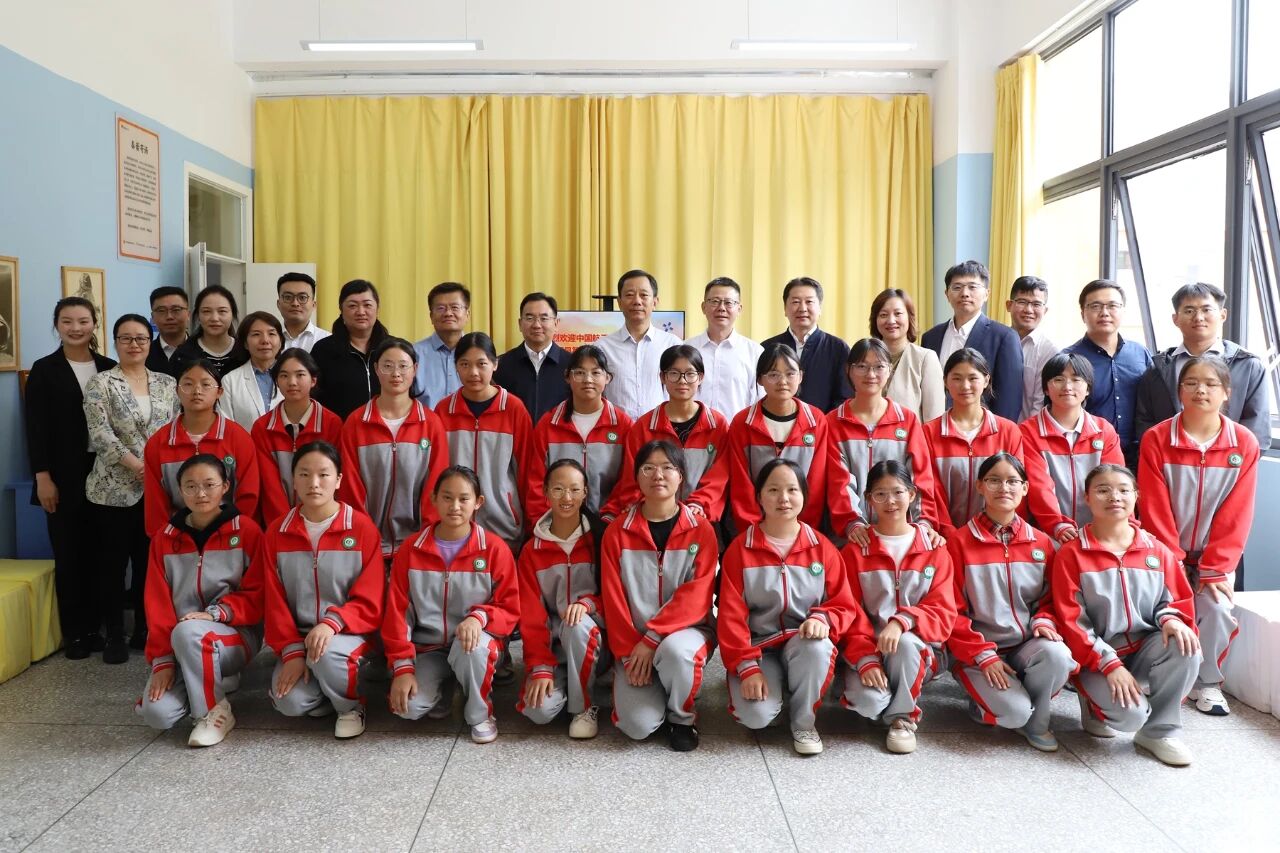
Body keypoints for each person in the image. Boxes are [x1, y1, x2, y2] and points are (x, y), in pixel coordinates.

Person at [1052, 463, 1201, 766]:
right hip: (1096, 659)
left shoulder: (1156, 550)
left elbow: (1177, 601)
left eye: (1123, 490)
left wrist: (1170, 619)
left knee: (1185, 645)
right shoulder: (1071, 554)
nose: (1114, 497)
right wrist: (1108, 664)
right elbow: (1072, 623)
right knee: (1130, 717)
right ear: (1087, 498)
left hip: (1146, 648)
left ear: (1136, 496)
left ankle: (1159, 732)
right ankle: (1093, 703)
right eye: (1103, 490)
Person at [719, 458, 869, 755]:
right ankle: (776, 693)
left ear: (804, 495)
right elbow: (730, 616)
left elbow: (843, 604)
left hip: (803, 643)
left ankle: (804, 722)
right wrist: (747, 667)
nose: (783, 498)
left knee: (817, 647)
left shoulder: (823, 548)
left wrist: (823, 618)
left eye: (792, 489)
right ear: (759, 496)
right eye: (773, 490)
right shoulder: (740, 549)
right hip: (759, 648)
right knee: (756, 717)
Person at [1138, 356, 1259, 718]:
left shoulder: (1243, 443)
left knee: (1217, 609)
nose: (1200, 390)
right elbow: (1154, 505)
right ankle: (1158, 675)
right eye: (1191, 383)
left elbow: (1238, 512)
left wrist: (1215, 567)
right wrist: (1170, 559)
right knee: (1158, 608)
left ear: (1227, 393)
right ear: (1180, 391)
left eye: (1210, 384)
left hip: (1215, 556)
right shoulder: (1157, 438)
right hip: (1164, 552)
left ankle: (1207, 684)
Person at [946, 453, 1076, 752]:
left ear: (1025, 488)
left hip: (1026, 646)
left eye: (1012, 481)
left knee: (1058, 654)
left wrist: (1044, 620)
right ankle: (988, 704)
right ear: (980, 486)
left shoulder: (1042, 543)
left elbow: (1053, 600)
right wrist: (982, 654)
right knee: (1013, 713)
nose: (1004, 488)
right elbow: (950, 609)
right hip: (978, 651)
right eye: (994, 480)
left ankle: (1037, 722)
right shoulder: (959, 542)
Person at [385, 466, 520, 743]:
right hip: (428, 650)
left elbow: (510, 608)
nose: (455, 506)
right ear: (433, 498)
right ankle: (445, 687)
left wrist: (479, 618)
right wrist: (402, 668)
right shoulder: (411, 549)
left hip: (475, 645)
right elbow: (397, 613)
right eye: (447, 497)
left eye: (463, 498)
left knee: (473, 649)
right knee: (407, 708)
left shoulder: (494, 549)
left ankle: (480, 713)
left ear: (478, 502)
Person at [260, 440, 386, 739]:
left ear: (339, 480)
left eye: (323, 475)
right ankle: (328, 690)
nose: (313, 483)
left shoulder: (361, 528)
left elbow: (371, 598)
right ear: (293, 480)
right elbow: (274, 601)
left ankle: (350, 706)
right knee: (289, 702)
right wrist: (292, 652)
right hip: (300, 638)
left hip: (350, 632)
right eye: (304, 474)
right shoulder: (277, 532)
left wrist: (332, 623)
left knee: (327, 655)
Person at [137, 454, 263, 747]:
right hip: (180, 641)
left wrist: (217, 613)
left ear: (225, 487)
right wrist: (163, 661)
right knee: (157, 713)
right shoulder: (164, 539)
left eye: (209, 484)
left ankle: (213, 711)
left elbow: (258, 596)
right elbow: (157, 605)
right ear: (180, 490)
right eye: (191, 486)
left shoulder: (247, 531)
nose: (201, 493)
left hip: (236, 636)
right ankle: (208, 680)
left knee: (190, 633)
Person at [601, 441, 718, 751]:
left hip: (686, 633)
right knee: (636, 727)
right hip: (633, 642)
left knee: (678, 653)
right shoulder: (617, 532)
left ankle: (682, 717)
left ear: (681, 477)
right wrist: (630, 651)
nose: (658, 475)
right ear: (637, 476)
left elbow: (698, 595)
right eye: (648, 468)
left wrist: (652, 638)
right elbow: (613, 600)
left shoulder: (701, 530)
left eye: (668, 467)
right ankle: (662, 687)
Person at [839, 461, 957, 755]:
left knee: (904, 644)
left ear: (912, 494)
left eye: (898, 492)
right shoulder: (855, 551)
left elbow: (943, 610)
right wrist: (865, 659)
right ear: (868, 499)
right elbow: (848, 611)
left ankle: (902, 717)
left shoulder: (934, 548)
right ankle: (886, 690)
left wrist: (903, 621)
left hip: (919, 649)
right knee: (869, 703)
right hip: (868, 649)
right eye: (880, 494)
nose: (890, 501)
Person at [25, 297, 117, 659]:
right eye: (67, 321)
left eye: (83, 321)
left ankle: (96, 628)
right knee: (68, 555)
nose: (75, 328)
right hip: (61, 476)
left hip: (105, 473)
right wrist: (42, 477)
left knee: (101, 554)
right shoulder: (44, 369)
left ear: (94, 323)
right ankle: (75, 633)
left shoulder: (108, 367)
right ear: (57, 325)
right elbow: (35, 428)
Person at [84, 314, 179, 660]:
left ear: (150, 342)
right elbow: (100, 434)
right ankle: (114, 634)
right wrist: (139, 466)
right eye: (126, 338)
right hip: (112, 490)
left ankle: (143, 628)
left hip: (157, 490)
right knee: (111, 565)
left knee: (147, 563)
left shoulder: (167, 383)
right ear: (115, 342)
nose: (134, 344)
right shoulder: (101, 383)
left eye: (141, 338)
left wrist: (156, 471)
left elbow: (175, 430)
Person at [923, 349, 1058, 536]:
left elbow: (1015, 488)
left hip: (997, 537)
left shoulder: (1008, 431)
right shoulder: (928, 433)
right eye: (957, 378)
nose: (965, 386)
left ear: (986, 380)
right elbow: (930, 490)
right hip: (944, 538)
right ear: (945, 381)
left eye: (973, 378)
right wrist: (950, 534)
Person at [517, 460, 607, 738]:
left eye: (574, 489)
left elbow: (617, 596)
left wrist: (588, 604)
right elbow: (531, 618)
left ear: (585, 493)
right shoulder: (532, 551)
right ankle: (567, 682)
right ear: (545, 492)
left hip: (597, 641)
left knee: (576, 624)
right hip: (555, 650)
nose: (566, 497)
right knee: (537, 711)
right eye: (558, 489)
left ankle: (583, 707)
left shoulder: (602, 539)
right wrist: (541, 667)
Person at [339, 338, 449, 559]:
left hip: (417, 544)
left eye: (403, 366)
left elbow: (436, 486)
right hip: (366, 544)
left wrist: (426, 537)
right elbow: (349, 486)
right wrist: (363, 535)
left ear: (415, 369)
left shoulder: (431, 423)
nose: (396, 373)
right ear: (376, 369)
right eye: (388, 366)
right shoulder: (356, 422)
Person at [825, 338, 942, 543]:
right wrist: (852, 523)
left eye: (879, 367)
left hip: (901, 535)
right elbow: (838, 482)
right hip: (852, 537)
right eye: (862, 366)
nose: (870, 374)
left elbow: (920, 475)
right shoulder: (833, 422)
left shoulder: (906, 420)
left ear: (889, 370)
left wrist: (923, 522)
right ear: (849, 370)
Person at [1135, 282, 1271, 450]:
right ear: (1175, 319)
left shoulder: (1248, 366)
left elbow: (1257, 428)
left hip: (1228, 462)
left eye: (1206, 310)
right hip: (1168, 462)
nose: (1198, 317)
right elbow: (1144, 422)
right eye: (1189, 311)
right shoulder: (1157, 368)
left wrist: (1229, 461)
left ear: (1222, 315)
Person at [602, 345, 728, 522]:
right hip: (653, 517)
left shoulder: (718, 425)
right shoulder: (644, 427)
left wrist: (699, 503)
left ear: (700, 378)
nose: (682, 381)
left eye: (690, 374)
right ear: (662, 377)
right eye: (674, 373)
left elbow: (719, 477)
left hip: (701, 518)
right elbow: (632, 477)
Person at [435, 332, 535, 550]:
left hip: (504, 527)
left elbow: (528, 470)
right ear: (456, 366)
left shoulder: (513, 409)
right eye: (465, 364)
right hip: (455, 525)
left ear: (495, 364)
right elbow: (436, 471)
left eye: (481, 364)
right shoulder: (444, 410)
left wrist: (531, 523)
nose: (473, 372)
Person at [143, 360, 260, 537]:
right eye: (188, 384)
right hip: (177, 538)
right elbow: (155, 504)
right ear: (177, 390)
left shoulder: (239, 438)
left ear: (219, 392)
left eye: (206, 384)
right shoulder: (158, 443)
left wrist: (237, 535)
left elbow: (248, 496)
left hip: (230, 536)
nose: (197, 391)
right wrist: (164, 540)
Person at [723, 344, 829, 531]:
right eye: (773, 374)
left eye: (790, 374)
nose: (783, 381)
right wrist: (754, 530)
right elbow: (741, 485)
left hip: (802, 529)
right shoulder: (742, 422)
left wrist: (802, 531)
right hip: (752, 529)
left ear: (800, 376)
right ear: (760, 379)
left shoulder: (816, 420)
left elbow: (816, 483)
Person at [1019, 352, 1123, 541]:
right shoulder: (1028, 432)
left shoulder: (1103, 430)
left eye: (1076, 380)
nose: (1067, 387)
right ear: (1046, 389)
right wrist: (1056, 523)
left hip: (1100, 534)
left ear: (1088, 388)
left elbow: (1116, 482)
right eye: (1058, 379)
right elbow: (1038, 486)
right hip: (1047, 535)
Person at [527, 345, 633, 520]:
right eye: (580, 373)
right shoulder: (549, 424)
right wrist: (547, 524)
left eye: (596, 372)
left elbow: (628, 482)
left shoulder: (623, 425)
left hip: (608, 524)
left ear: (607, 378)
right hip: (556, 524)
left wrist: (609, 519)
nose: (588, 379)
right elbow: (536, 482)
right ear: (567, 377)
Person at [1063, 279, 1153, 468]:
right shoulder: (1068, 359)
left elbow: (1152, 404)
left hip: (1139, 456)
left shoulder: (1140, 353)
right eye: (1095, 306)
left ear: (1122, 311)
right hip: (1089, 455)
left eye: (1112, 306)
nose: (1104, 312)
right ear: (1083, 313)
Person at [921, 261, 1024, 421]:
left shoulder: (1004, 337)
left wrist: (997, 433)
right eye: (957, 287)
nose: (965, 293)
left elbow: (1009, 399)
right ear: (947, 294)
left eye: (972, 287)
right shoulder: (931, 337)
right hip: (935, 427)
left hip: (982, 430)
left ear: (986, 294)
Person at [251, 347, 344, 523]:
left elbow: (334, 479)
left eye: (300, 375)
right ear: (276, 381)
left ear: (313, 380)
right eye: (284, 376)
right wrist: (285, 525)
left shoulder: (332, 424)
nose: (292, 382)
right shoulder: (262, 428)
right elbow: (269, 486)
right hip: (278, 523)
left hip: (324, 521)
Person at [595, 269, 683, 418]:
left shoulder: (673, 345)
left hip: (660, 428)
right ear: (619, 303)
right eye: (629, 295)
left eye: (644, 295)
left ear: (655, 302)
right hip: (617, 429)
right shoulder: (602, 348)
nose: (637, 301)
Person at [762, 277, 850, 412]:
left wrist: (822, 422)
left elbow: (844, 397)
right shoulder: (767, 348)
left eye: (809, 302)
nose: (802, 308)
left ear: (820, 308)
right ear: (785, 308)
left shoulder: (838, 348)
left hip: (824, 424)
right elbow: (759, 393)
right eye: (795, 302)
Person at [311, 279, 390, 419]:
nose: (361, 312)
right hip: (339, 429)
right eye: (352, 306)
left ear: (377, 309)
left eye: (367, 305)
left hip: (388, 429)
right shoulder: (323, 350)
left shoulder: (392, 349)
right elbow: (313, 397)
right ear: (341, 310)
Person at [685, 277, 764, 416]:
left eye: (729, 303)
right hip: (694, 428)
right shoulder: (686, 349)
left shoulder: (754, 352)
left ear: (739, 309)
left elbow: (762, 400)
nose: (721, 308)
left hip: (736, 428)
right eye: (714, 301)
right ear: (703, 307)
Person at [493, 292, 571, 423]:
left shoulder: (572, 365)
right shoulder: (501, 365)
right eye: (529, 318)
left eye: (544, 318)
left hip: (557, 435)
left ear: (556, 323)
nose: (537, 325)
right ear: (520, 324)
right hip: (515, 435)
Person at [869, 288, 944, 423]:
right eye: (883, 315)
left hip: (910, 436)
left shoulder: (925, 359)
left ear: (910, 317)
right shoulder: (865, 357)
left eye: (898, 314)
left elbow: (934, 420)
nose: (891, 320)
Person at [218, 311, 284, 432]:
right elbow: (227, 427)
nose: (265, 340)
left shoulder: (295, 377)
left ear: (280, 341)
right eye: (256, 334)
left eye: (271, 333)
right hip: (243, 444)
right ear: (245, 343)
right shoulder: (230, 381)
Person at [1006, 275, 1060, 421]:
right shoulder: (997, 339)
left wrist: (1028, 433)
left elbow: (1040, 402)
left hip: (1028, 430)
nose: (1029, 310)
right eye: (1022, 302)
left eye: (1036, 304)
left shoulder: (1049, 350)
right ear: (1009, 305)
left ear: (1045, 310)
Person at [413, 281, 469, 408]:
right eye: (441, 308)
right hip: (425, 421)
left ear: (467, 314)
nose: (448, 313)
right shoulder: (414, 354)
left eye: (455, 307)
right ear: (431, 316)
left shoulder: (479, 353)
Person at [174, 284, 247, 379]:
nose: (214, 318)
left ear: (232, 314)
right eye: (206, 311)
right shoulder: (183, 355)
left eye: (222, 311)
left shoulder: (245, 352)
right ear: (198, 315)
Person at [276, 271, 330, 351]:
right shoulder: (266, 341)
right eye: (288, 297)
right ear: (278, 304)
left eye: (302, 297)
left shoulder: (328, 341)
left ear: (313, 305)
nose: (295, 303)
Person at [146, 286, 190, 377]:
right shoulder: (143, 354)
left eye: (176, 310)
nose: (169, 316)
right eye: (161, 310)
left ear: (188, 314)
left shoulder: (202, 352)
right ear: (153, 317)